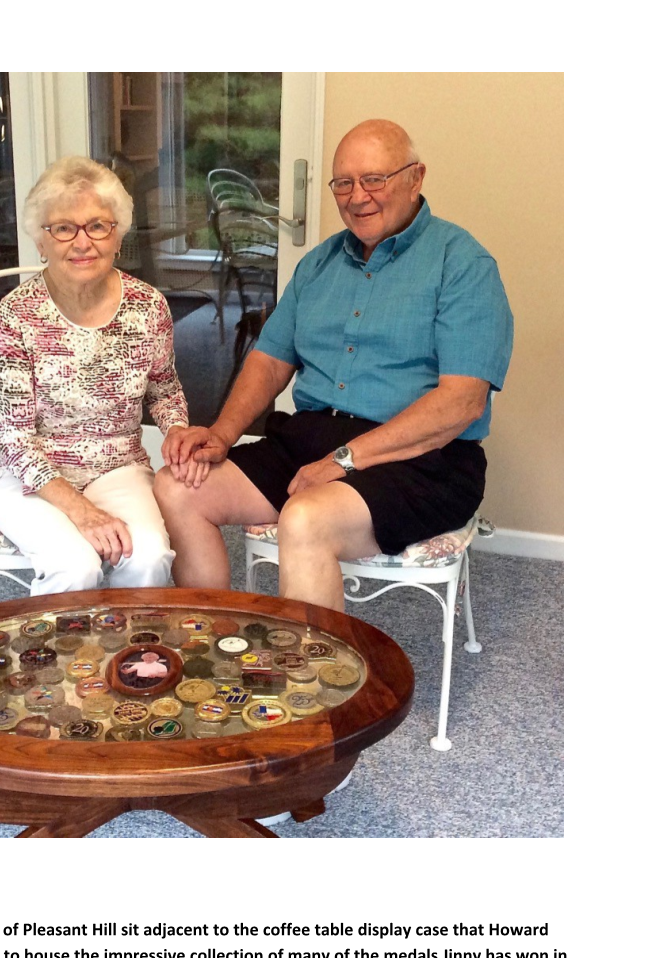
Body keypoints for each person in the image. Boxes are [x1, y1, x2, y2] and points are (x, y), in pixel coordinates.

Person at [154, 119, 514, 612]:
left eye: (374, 179)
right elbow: (270, 360)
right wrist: (222, 434)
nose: (357, 196)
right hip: (312, 438)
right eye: (343, 183)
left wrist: (343, 461)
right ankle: (216, 641)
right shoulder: (318, 264)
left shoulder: (464, 264)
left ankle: (313, 683)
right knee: (177, 487)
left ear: (416, 177)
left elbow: (462, 402)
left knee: (304, 517)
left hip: (424, 459)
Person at [0, 156, 190, 594]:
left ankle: (135, 660)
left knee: (148, 556)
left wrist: (175, 430)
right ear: (41, 241)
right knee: (75, 567)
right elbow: (14, 440)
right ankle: (61, 662)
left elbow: (165, 390)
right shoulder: (17, 315)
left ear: (118, 236)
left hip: (118, 466)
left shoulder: (148, 307)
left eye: (98, 226)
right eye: (63, 228)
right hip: (29, 478)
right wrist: (81, 511)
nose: (83, 242)